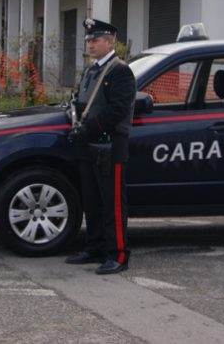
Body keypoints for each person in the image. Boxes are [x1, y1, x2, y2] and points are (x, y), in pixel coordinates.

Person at [66, 18, 136, 275]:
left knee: (112, 204)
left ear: (110, 42)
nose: (90, 44)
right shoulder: (90, 70)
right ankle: (94, 247)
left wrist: (89, 126)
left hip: (110, 145)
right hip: (89, 146)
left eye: (95, 40)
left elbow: (118, 109)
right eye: (88, 40)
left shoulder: (120, 71)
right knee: (92, 202)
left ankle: (117, 254)